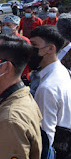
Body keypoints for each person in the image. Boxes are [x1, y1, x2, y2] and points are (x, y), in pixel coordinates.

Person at [29, 25, 71, 158]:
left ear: (50, 48)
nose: (30, 50)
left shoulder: (47, 88)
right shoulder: (62, 70)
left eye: (34, 45)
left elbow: (45, 136)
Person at [2, 14, 31, 80]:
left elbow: (30, 61)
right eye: (3, 25)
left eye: (8, 25)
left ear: (17, 27)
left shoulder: (24, 41)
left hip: (21, 77)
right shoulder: (2, 41)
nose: (4, 27)